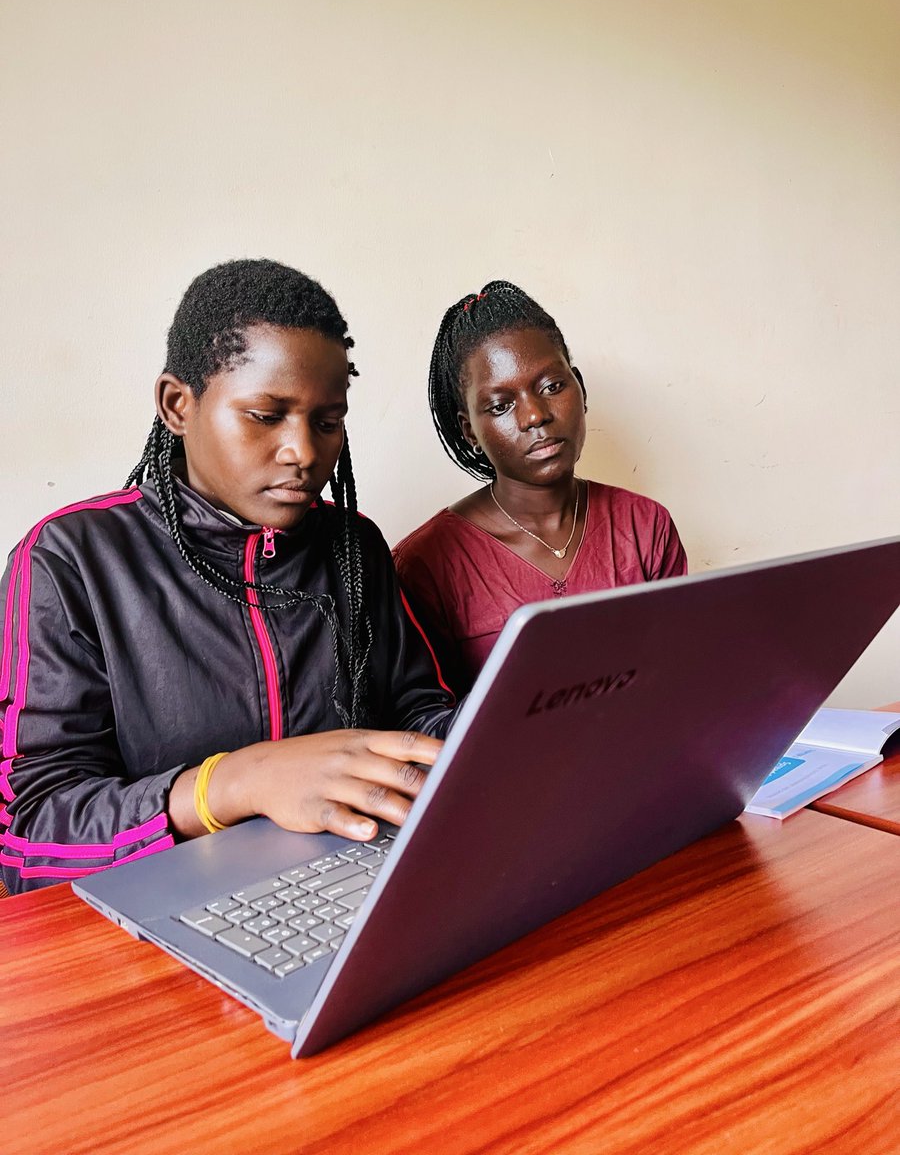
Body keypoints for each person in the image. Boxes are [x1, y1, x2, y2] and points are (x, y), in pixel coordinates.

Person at [0, 259, 458, 894]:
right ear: (177, 405)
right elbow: (28, 837)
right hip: (158, 912)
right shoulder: (71, 560)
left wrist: (496, 736)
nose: (304, 452)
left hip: (350, 888)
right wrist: (234, 783)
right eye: (266, 415)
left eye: (328, 422)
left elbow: (417, 710)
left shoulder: (354, 547)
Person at [393, 280, 687, 694]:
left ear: (580, 388)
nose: (534, 416)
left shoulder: (644, 527)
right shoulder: (425, 564)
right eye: (500, 405)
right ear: (470, 430)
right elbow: (428, 716)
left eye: (551, 387)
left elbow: (676, 678)